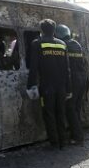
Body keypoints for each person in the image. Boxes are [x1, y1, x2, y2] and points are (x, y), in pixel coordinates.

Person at [27, 19, 71, 149]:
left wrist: (30, 85)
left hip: (46, 87)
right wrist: (69, 89)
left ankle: (54, 142)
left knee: (49, 114)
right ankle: (63, 141)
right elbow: (67, 69)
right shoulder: (62, 44)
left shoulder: (37, 43)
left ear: (41, 30)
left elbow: (33, 67)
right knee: (60, 113)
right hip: (61, 87)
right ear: (54, 30)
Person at [55, 24, 86, 145]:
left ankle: (78, 137)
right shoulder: (76, 44)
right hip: (82, 80)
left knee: (70, 109)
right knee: (76, 108)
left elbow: (64, 67)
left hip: (72, 81)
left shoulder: (63, 45)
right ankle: (77, 133)